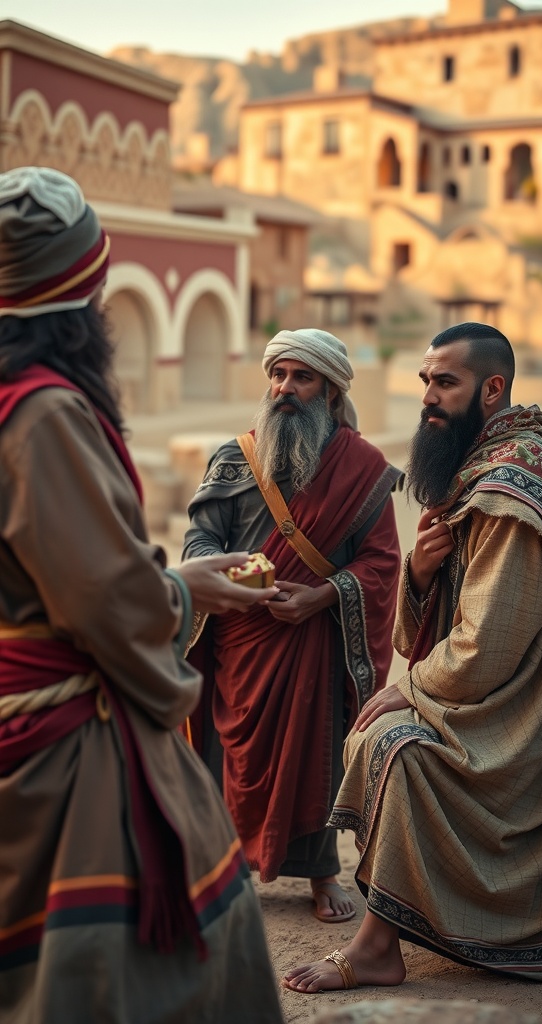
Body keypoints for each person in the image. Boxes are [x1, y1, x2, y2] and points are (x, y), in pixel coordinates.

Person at [0, 166, 284, 1024]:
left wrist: (168, 582)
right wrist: (182, 597)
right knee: (135, 971)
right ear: (85, 290)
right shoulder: (45, 417)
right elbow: (106, 604)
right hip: (67, 753)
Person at [283, 321, 542, 992]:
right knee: (385, 728)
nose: (429, 398)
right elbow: (431, 632)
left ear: (493, 389)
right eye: (426, 382)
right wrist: (419, 574)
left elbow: (484, 654)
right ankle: (380, 937)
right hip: (489, 700)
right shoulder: (483, 469)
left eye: (446, 383)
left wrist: (409, 689)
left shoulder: (511, 491)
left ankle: (375, 947)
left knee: (396, 744)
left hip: (520, 727)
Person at [182, 328, 402, 923]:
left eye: (302, 377)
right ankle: (219, 864)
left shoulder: (365, 469)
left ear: (329, 392)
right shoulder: (233, 456)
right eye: (278, 375)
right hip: (238, 637)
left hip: (312, 640)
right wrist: (225, 573)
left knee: (314, 754)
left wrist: (321, 597)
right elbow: (202, 534)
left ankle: (321, 871)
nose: (285, 388)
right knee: (225, 755)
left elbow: (381, 563)